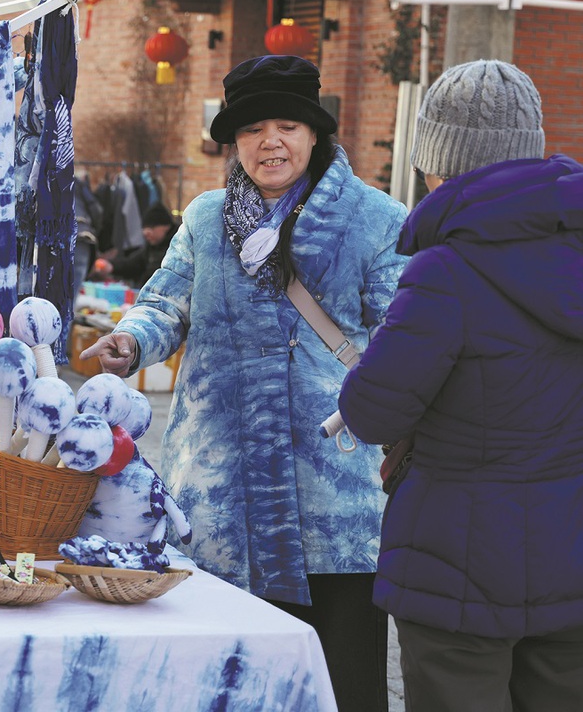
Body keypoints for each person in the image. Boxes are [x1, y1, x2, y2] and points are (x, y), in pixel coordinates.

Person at [80, 55, 409, 711]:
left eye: (287, 126)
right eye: (253, 129)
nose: (270, 142)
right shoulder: (206, 218)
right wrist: (132, 340)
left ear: (315, 133)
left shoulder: (375, 218)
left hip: (331, 492)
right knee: (224, 683)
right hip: (220, 490)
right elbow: (164, 304)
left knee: (342, 685)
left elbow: (402, 336)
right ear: (234, 141)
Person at [338, 60, 583, 711]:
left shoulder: (445, 271)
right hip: (572, 552)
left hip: (455, 562)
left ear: (440, 163)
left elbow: (371, 413)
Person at [92, 201, 177, 288]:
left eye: (151, 227)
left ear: (166, 226)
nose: (145, 232)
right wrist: (111, 266)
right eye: (144, 228)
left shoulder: (178, 248)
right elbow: (132, 264)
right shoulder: (151, 247)